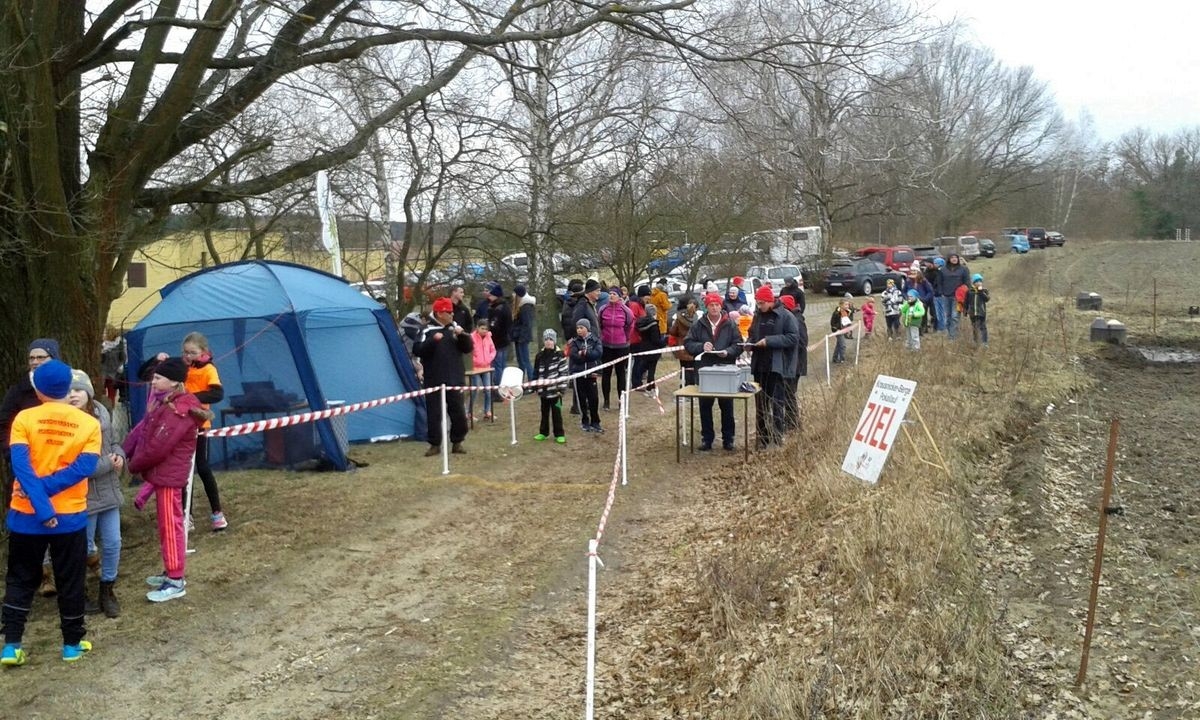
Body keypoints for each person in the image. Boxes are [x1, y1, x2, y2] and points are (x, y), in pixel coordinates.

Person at [1, 359, 101, 665]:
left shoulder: (23, 419)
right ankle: (72, 644)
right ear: (67, 389)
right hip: (69, 516)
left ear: (37, 388)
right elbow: (83, 468)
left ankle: (11, 646)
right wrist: (49, 503)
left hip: (25, 514)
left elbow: (20, 466)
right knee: (70, 578)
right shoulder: (89, 423)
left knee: (19, 578)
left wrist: (40, 505)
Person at [123, 357, 207, 603]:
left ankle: (176, 579)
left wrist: (134, 464)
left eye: (158, 377)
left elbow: (158, 446)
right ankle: (171, 569)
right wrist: (126, 449)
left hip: (169, 475)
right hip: (164, 473)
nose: (154, 380)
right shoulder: (167, 403)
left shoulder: (178, 411)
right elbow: (145, 431)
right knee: (167, 525)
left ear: (173, 382)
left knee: (171, 526)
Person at [1, 338, 63, 597]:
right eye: (32, 358)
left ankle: (71, 571)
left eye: (42, 357)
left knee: (62, 521)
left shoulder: (66, 385)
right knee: (34, 523)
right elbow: (3, 423)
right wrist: (12, 456)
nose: (35, 362)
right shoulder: (19, 392)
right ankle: (42, 575)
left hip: (61, 469)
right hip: (27, 470)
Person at [66, 371, 125, 618]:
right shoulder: (65, 421)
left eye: (78, 390)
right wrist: (108, 464)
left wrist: (120, 455)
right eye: (67, 391)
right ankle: (79, 594)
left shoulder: (101, 410)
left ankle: (107, 589)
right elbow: (75, 466)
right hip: (82, 497)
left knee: (113, 543)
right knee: (84, 547)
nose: (72, 395)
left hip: (109, 492)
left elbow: (113, 443)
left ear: (88, 392)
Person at [178, 332, 227, 531]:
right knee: (183, 471)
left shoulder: (208, 369)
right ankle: (186, 515)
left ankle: (217, 513)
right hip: (181, 425)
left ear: (203, 352)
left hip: (200, 425)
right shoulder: (182, 369)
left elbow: (217, 393)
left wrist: (191, 397)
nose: (189, 356)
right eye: (186, 352)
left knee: (202, 467)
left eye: (193, 352)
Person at [414, 297, 474, 456]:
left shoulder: (455, 328)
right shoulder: (426, 330)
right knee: (435, 414)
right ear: (440, 313)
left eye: (452, 312)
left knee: (458, 412)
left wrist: (462, 336)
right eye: (449, 312)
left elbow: (467, 349)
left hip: (454, 378)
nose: (452, 315)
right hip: (434, 379)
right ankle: (435, 444)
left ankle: (457, 441)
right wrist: (433, 341)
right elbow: (417, 350)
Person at [684, 292, 743, 451]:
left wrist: (728, 352)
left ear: (721, 305)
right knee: (705, 405)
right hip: (705, 371)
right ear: (707, 307)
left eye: (717, 304)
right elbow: (688, 344)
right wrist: (701, 347)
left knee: (726, 406)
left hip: (726, 370)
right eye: (711, 305)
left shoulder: (730, 324)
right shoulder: (699, 324)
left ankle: (728, 439)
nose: (715, 308)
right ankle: (707, 439)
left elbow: (739, 345)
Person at [747, 286, 799, 449]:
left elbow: (793, 338)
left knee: (777, 404)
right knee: (761, 405)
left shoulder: (786, 316)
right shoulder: (757, 316)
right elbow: (752, 334)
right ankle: (763, 438)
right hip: (759, 366)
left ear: (770, 301)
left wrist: (769, 341)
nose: (759, 306)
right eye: (757, 303)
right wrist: (750, 343)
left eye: (761, 303)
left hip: (777, 366)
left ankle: (778, 437)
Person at [597, 287, 633, 411]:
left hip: (621, 347)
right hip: (606, 346)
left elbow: (629, 325)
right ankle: (606, 401)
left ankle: (621, 401)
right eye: (610, 294)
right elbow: (600, 324)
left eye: (614, 294)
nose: (611, 296)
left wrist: (625, 339)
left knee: (620, 373)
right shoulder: (603, 309)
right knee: (606, 374)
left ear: (619, 296)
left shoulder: (626, 310)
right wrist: (603, 337)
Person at [532, 329, 569, 444]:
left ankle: (559, 434)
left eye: (551, 339)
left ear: (554, 341)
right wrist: (536, 386)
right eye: (546, 339)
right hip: (543, 391)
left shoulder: (560, 355)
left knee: (557, 413)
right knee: (544, 412)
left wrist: (561, 389)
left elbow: (564, 373)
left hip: (556, 392)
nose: (548, 342)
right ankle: (543, 432)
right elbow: (536, 372)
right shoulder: (539, 356)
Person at [567, 318, 603, 433]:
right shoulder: (574, 342)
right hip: (579, 374)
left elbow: (597, 354)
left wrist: (584, 353)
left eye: (581, 328)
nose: (579, 330)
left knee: (594, 399)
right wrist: (583, 355)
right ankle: (585, 422)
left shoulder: (595, 340)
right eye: (577, 328)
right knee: (581, 399)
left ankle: (595, 422)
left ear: (587, 328)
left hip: (591, 373)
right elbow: (574, 357)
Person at [779, 295, 806, 432]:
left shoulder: (797, 320)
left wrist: (786, 345)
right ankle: (790, 421)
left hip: (795, 363)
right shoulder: (793, 318)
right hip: (790, 362)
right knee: (787, 393)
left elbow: (801, 342)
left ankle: (792, 423)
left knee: (789, 393)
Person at [484, 283, 512, 400]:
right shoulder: (495, 306)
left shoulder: (499, 308)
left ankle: (498, 390)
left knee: (497, 366)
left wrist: (488, 330)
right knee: (499, 365)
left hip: (498, 342)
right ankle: (500, 388)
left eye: (488, 291)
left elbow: (495, 326)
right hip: (499, 341)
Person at [631, 304, 663, 393]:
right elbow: (656, 339)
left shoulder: (642, 323)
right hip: (653, 349)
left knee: (643, 367)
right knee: (652, 370)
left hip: (644, 348)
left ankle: (639, 382)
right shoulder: (654, 324)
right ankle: (650, 387)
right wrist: (664, 342)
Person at [938, 253, 971, 339]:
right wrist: (941, 292)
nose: (954, 259)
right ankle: (949, 335)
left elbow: (967, 283)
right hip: (946, 296)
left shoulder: (963, 269)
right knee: (947, 316)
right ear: (948, 259)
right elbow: (939, 282)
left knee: (955, 316)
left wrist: (966, 294)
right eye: (952, 257)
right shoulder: (943, 270)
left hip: (958, 297)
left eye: (956, 257)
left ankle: (953, 336)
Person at [469, 319, 496, 421]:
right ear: (477, 328)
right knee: (475, 389)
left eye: (486, 329)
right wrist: (475, 360)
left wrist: (489, 358)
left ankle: (487, 411)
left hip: (487, 367)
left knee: (488, 390)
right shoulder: (471, 338)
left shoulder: (489, 337)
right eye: (482, 328)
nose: (484, 331)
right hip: (475, 368)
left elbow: (493, 350)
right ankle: (469, 412)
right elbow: (469, 353)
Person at [668, 297, 699, 386]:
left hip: (682, 346)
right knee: (692, 369)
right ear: (696, 308)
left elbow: (673, 331)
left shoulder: (679, 318)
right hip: (694, 346)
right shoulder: (698, 320)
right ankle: (691, 387)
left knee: (683, 368)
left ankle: (683, 386)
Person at [510, 285, 536, 380]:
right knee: (520, 361)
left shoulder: (526, 307)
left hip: (522, 338)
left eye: (514, 293)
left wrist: (522, 337)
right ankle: (521, 380)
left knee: (525, 360)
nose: (512, 295)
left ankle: (531, 380)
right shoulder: (520, 306)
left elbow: (526, 324)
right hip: (518, 336)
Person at [100, 325, 126, 405]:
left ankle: (110, 412)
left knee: (112, 395)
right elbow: (100, 361)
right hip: (102, 373)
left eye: (105, 333)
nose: (103, 334)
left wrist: (120, 367)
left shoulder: (119, 344)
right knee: (101, 394)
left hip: (114, 374)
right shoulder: (101, 345)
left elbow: (123, 358)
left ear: (110, 333)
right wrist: (101, 353)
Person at [965, 273, 990, 346]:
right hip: (973, 313)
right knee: (975, 327)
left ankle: (984, 342)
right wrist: (965, 310)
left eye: (980, 281)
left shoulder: (984, 291)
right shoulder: (969, 291)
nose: (979, 283)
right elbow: (966, 301)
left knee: (983, 327)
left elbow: (987, 299)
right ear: (973, 283)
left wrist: (981, 291)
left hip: (981, 312)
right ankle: (976, 341)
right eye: (977, 281)